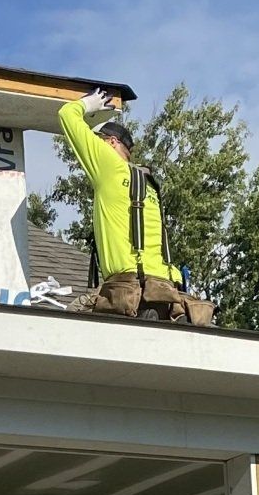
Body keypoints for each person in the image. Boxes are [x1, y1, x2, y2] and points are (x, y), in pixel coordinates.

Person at [57, 89, 213, 325]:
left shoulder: (109, 165)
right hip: (166, 291)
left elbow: (67, 115)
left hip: (129, 289)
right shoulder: (147, 183)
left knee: (62, 326)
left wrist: (89, 104)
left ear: (111, 142)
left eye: (98, 141)